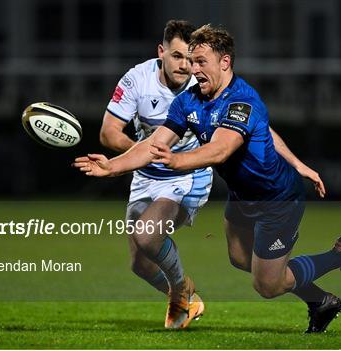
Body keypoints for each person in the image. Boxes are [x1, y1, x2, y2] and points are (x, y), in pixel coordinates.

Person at [75, 24, 341, 333]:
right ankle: (319, 300)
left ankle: (339, 255)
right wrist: (112, 167)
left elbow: (220, 150)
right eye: (191, 61)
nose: (194, 69)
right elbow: (156, 143)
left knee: (267, 286)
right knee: (238, 258)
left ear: (225, 62)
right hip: (241, 196)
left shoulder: (242, 101)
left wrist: (176, 160)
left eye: (201, 61)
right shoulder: (189, 100)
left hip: (277, 200)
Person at [99, 20, 212, 329]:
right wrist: (145, 151)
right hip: (144, 173)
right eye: (177, 56)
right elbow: (109, 134)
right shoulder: (137, 79)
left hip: (188, 175)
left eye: (191, 58)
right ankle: (189, 297)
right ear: (161, 52)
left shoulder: (202, 85)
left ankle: (180, 290)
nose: (185, 66)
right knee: (140, 265)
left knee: (148, 235)